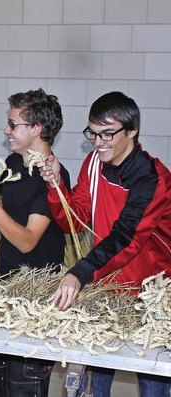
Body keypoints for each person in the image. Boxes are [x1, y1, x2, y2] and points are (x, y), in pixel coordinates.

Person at [38, 91, 171, 397]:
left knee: (152, 383)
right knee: (95, 385)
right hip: (107, 284)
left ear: (132, 131)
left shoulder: (153, 178)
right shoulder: (94, 163)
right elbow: (76, 217)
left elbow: (127, 236)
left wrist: (81, 271)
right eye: (93, 134)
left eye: (107, 134)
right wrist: (57, 185)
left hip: (150, 295)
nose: (98, 143)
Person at [0, 88, 70, 397]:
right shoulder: (12, 163)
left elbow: (28, 241)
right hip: (5, 286)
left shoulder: (51, 178)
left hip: (36, 294)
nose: (6, 130)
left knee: (25, 383)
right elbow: (13, 219)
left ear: (37, 129)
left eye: (13, 124)